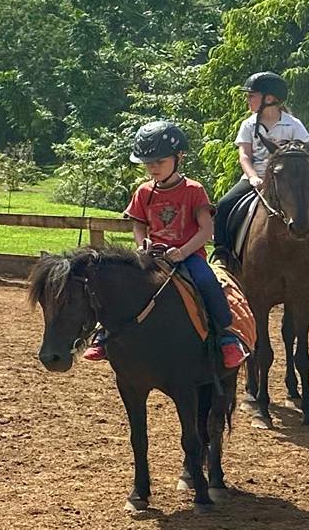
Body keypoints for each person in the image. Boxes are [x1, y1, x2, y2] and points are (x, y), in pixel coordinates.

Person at [83, 121, 246, 368]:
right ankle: (104, 334)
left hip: (189, 256)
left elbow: (206, 229)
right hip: (152, 255)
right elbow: (138, 224)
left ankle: (226, 337)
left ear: (178, 157)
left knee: (207, 282)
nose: (153, 168)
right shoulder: (143, 191)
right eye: (149, 163)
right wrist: (142, 245)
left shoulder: (194, 190)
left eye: (159, 162)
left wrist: (183, 252)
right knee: (119, 284)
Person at [216, 71, 309, 280]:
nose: (247, 99)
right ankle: (222, 254)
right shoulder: (248, 125)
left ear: (269, 99)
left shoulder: (293, 124)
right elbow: (244, 156)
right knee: (224, 205)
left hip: (288, 182)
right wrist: (252, 177)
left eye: (252, 95)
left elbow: (305, 154)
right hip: (256, 178)